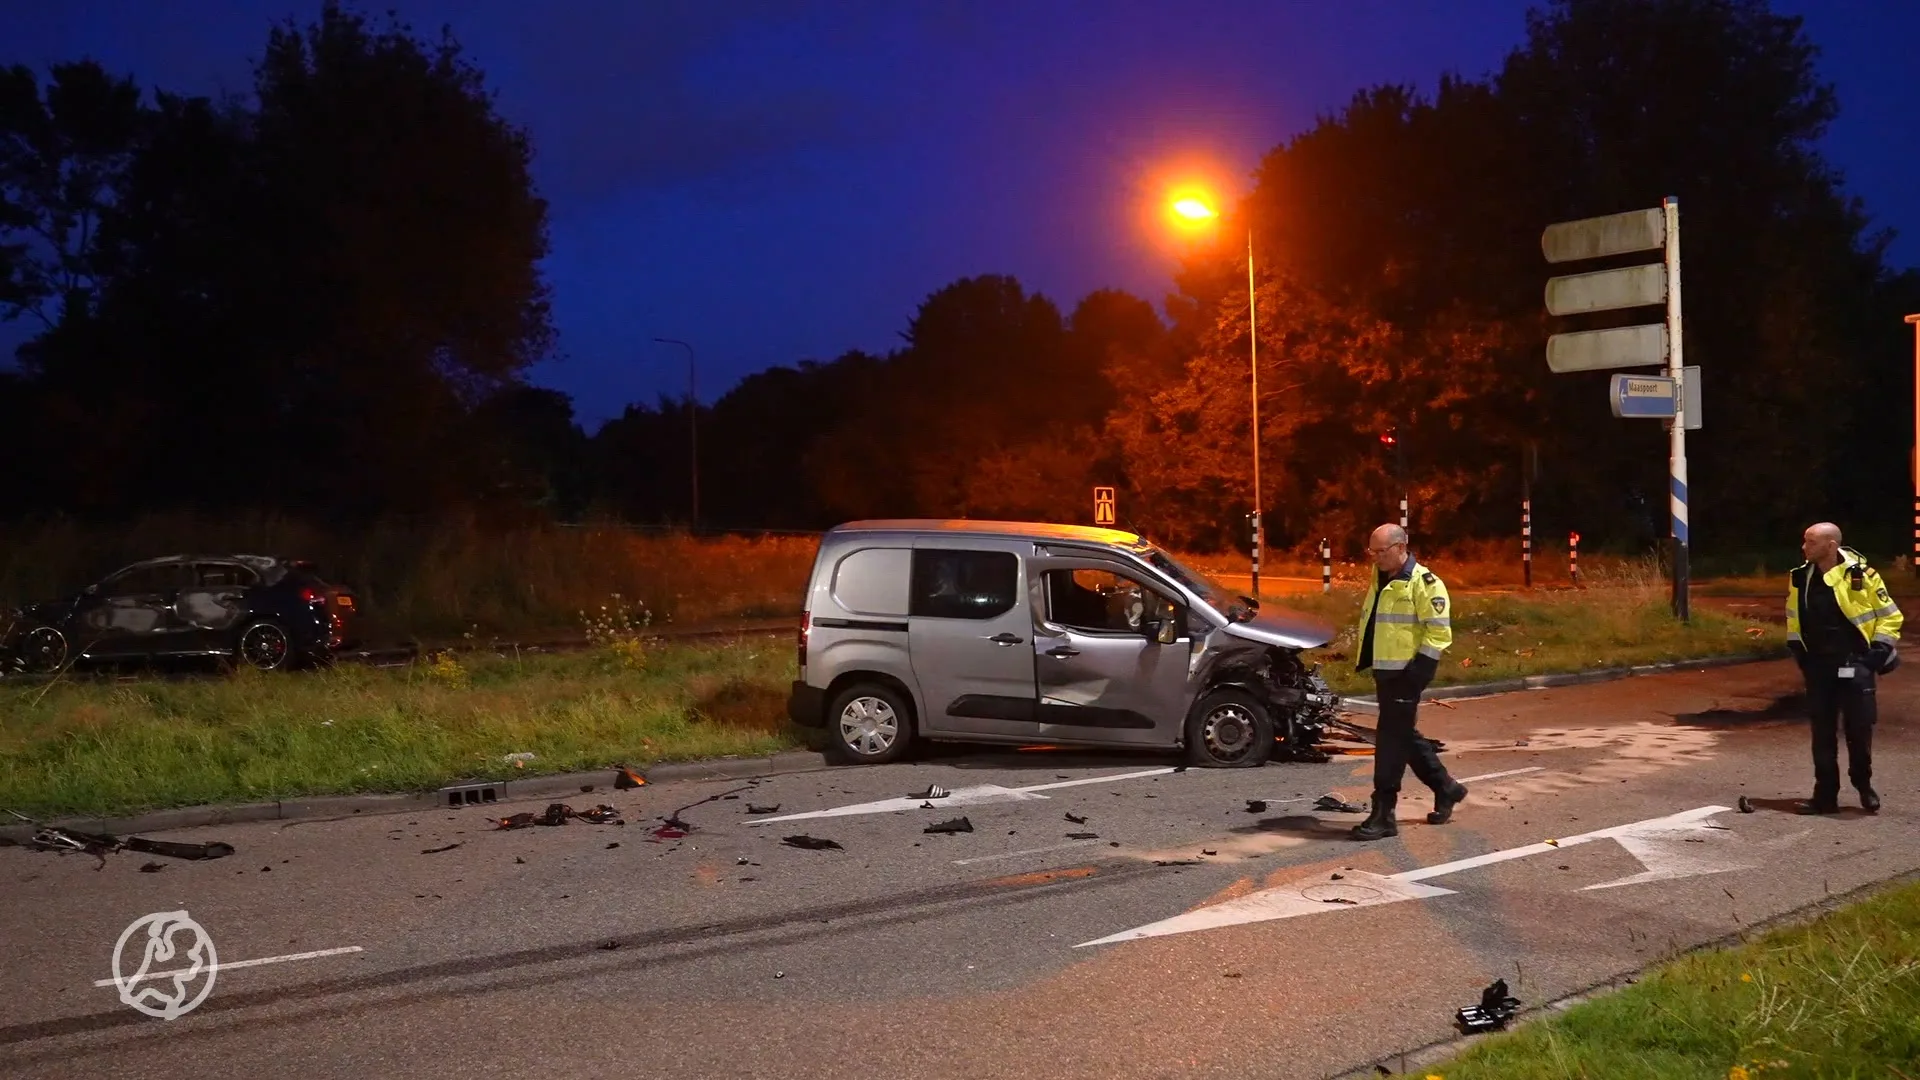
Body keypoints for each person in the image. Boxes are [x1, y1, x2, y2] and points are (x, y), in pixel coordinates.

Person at [1349, 523, 1469, 841]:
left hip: (1406, 675)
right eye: (1371, 552)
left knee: (1389, 740)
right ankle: (1447, 788)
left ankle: (1383, 813)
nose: (1375, 558)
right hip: (1385, 671)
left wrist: (1418, 674)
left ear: (1402, 547)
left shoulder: (1425, 583)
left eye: (1381, 551)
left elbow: (1439, 633)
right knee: (1402, 734)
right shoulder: (1382, 578)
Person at [1785, 522, 1902, 814]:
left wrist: (1876, 654)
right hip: (1819, 669)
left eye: (1811, 542)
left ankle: (1863, 785)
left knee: (1859, 731)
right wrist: (1800, 653)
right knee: (1822, 735)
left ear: (1831, 546)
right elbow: (1793, 617)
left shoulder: (1862, 576)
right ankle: (1825, 796)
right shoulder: (1800, 577)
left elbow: (1890, 616)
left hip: (1855, 665)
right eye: (1804, 541)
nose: (1804, 547)